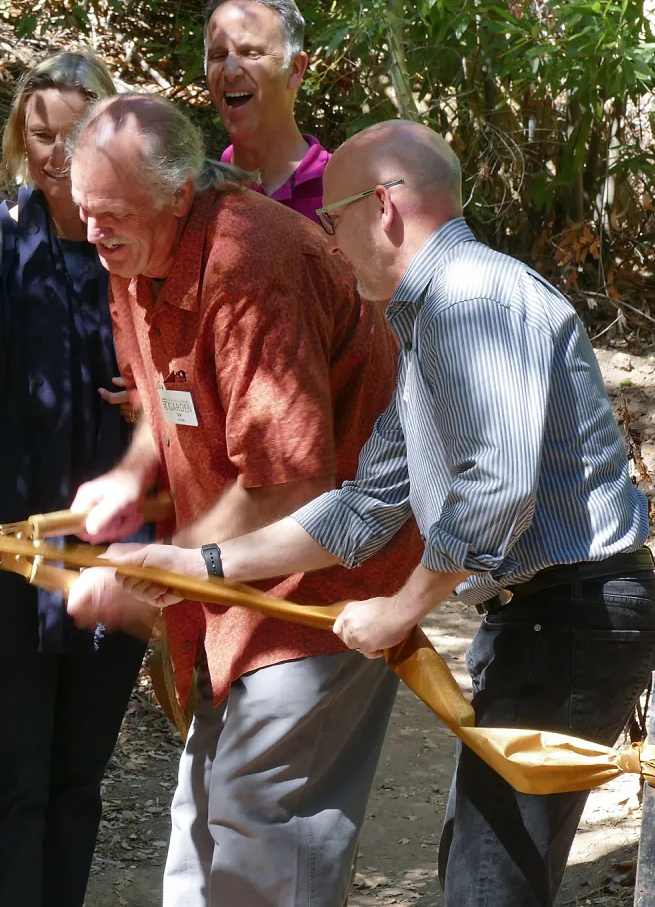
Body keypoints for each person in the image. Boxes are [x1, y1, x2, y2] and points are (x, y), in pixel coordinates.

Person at [107, 119, 655, 907]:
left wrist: (399, 608)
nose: (331, 245)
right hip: (533, 619)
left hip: (575, 617)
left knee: (490, 883)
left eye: (333, 219)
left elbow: (496, 488)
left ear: (384, 207)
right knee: (478, 869)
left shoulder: (473, 298)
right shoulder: (424, 320)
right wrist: (200, 565)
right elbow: (365, 507)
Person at [62, 94, 423, 907]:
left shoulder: (251, 264)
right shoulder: (134, 257)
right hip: (230, 585)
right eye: (84, 211)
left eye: (113, 214)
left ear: (179, 194)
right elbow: (171, 399)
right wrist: (130, 477)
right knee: (200, 840)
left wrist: (160, 566)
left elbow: (290, 484)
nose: (94, 233)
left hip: (323, 584)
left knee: (265, 843)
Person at [0, 52, 148, 907]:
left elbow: (199, 395)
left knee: (78, 779)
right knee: (15, 780)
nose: (56, 152)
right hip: (3, 551)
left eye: (74, 134)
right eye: (40, 133)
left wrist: (151, 407)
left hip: (116, 559)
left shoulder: (141, 255)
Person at [204, 0, 330, 222]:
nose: (230, 72)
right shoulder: (197, 195)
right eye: (218, 56)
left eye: (251, 53)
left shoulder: (344, 191)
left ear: (295, 69)